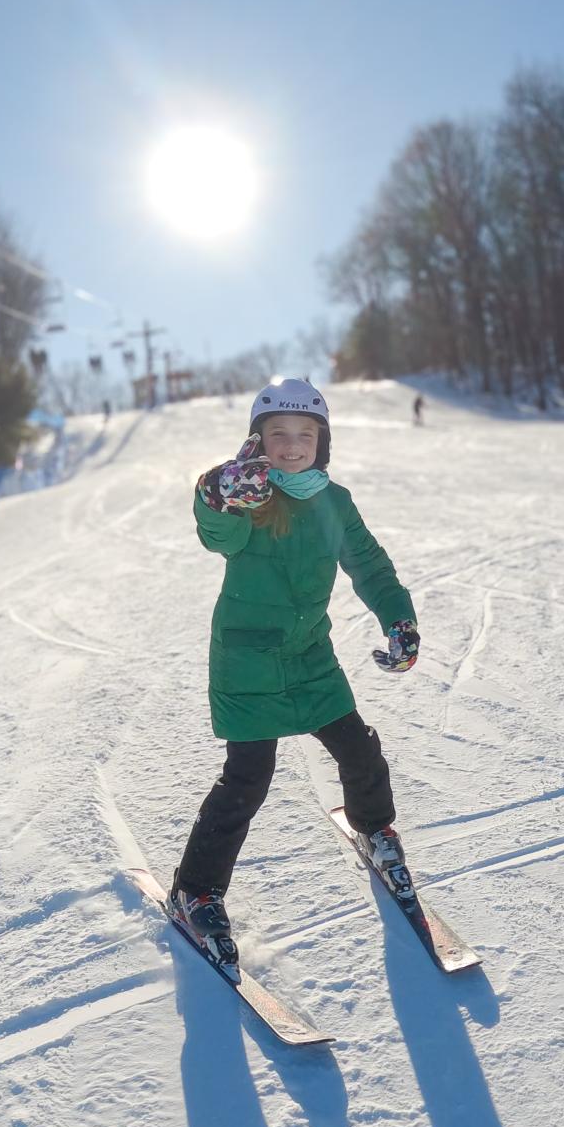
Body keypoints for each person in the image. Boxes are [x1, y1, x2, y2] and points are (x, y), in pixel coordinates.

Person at [171, 377, 421, 973]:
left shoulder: (334, 501)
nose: (290, 445)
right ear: (257, 440)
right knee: (248, 777)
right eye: (277, 433)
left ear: (321, 443)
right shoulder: (248, 495)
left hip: (309, 654)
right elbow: (218, 536)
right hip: (248, 658)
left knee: (358, 750)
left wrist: (399, 618)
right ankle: (195, 891)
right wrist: (216, 494)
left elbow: (368, 564)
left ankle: (375, 830)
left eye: (304, 434)